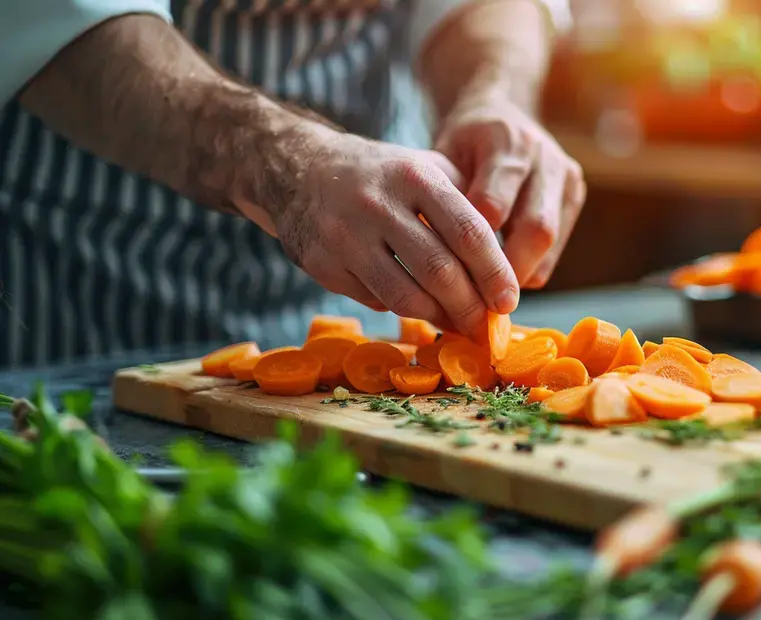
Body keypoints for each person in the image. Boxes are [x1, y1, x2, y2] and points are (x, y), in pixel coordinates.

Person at [0, 0, 585, 367]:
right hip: (84, 279)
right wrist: (288, 161)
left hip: (357, 292)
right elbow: (60, 15)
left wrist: (495, 93)